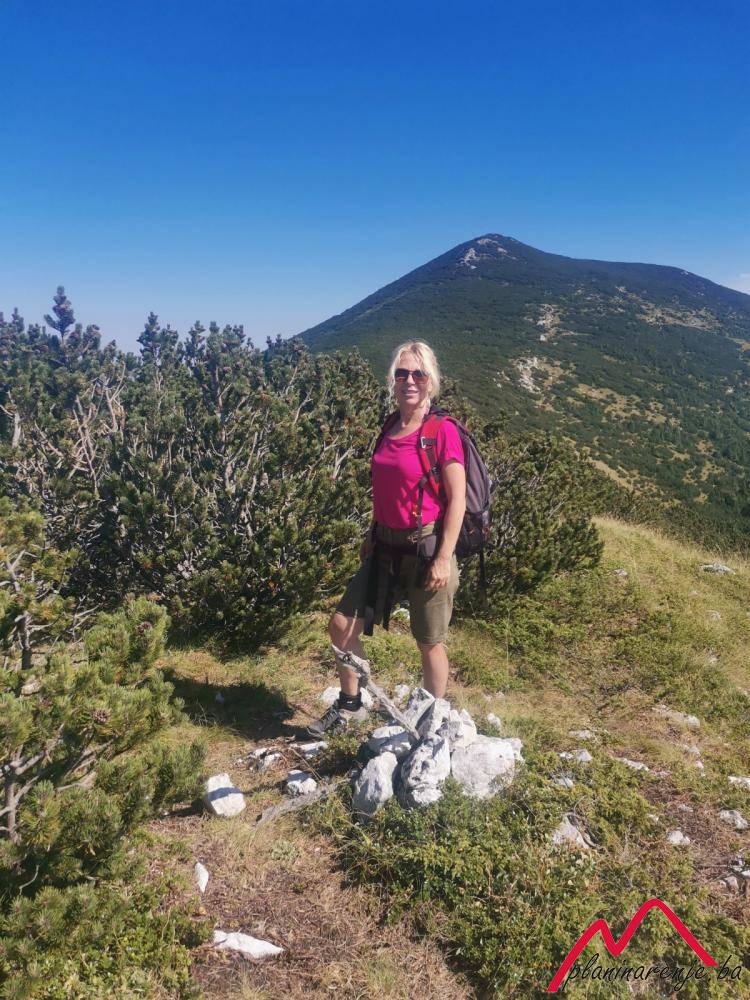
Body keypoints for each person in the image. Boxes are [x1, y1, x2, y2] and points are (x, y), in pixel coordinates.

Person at [308, 340, 467, 737]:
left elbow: (458, 500)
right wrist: (372, 531)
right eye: (402, 373)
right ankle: (350, 706)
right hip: (384, 545)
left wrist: (443, 557)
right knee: (342, 625)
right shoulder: (390, 426)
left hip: (427, 547)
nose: (409, 381)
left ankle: (432, 723)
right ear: (393, 380)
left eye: (418, 374)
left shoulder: (441, 431)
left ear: (431, 381)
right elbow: (386, 488)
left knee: (429, 641)